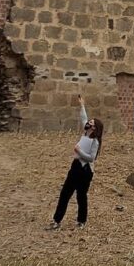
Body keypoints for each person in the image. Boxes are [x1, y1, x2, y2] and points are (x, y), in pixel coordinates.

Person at [49, 94, 103, 231]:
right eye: (89, 121)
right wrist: (82, 105)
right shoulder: (85, 133)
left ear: (95, 128)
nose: (88, 122)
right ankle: (56, 220)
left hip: (86, 171)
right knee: (65, 193)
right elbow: (83, 117)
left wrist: (79, 151)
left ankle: (81, 221)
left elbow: (91, 158)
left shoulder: (95, 141)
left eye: (91, 122)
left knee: (81, 196)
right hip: (75, 166)